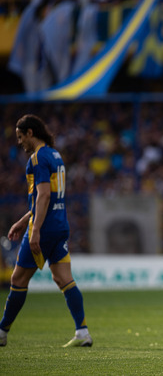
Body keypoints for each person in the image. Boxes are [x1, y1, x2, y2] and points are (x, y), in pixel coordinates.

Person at [0, 114, 92, 348]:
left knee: (18, 279)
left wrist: (35, 229)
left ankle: (1, 332)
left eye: (21, 137)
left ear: (31, 133)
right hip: (60, 225)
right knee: (63, 277)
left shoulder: (38, 158)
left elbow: (43, 196)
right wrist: (23, 220)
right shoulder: (55, 155)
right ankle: (82, 332)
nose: (19, 142)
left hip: (44, 227)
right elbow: (46, 198)